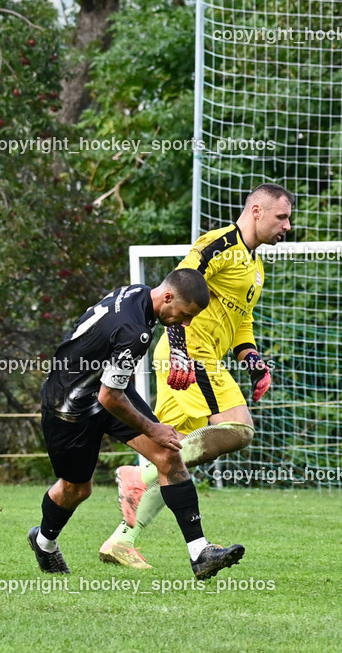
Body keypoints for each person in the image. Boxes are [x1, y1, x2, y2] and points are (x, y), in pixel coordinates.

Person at [99, 183, 292, 569]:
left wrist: (252, 359)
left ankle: (123, 539)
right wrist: (183, 353)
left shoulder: (255, 269)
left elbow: (241, 323)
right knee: (240, 430)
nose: (287, 226)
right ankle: (139, 477)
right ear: (256, 211)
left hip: (199, 359)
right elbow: (178, 289)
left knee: (173, 455)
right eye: (281, 216)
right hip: (190, 357)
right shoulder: (218, 244)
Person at [28, 268, 245, 579]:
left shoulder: (138, 294)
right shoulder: (134, 329)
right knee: (76, 489)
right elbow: (110, 397)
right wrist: (152, 427)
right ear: (168, 297)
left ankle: (201, 552)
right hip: (69, 404)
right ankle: (44, 542)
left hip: (103, 387)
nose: (186, 323)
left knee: (168, 453)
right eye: (185, 315)